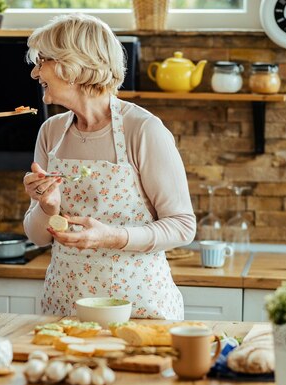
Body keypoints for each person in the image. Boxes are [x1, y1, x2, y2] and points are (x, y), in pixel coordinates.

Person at [23, 14, 196, 320]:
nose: (36, 72)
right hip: (66, 308)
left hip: (140, 309)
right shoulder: (51, 132)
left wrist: (112, 236)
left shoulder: (143, 129)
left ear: (72, 64)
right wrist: (47, 207)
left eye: (42, 61)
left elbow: (182, 225)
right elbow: (37, 237)